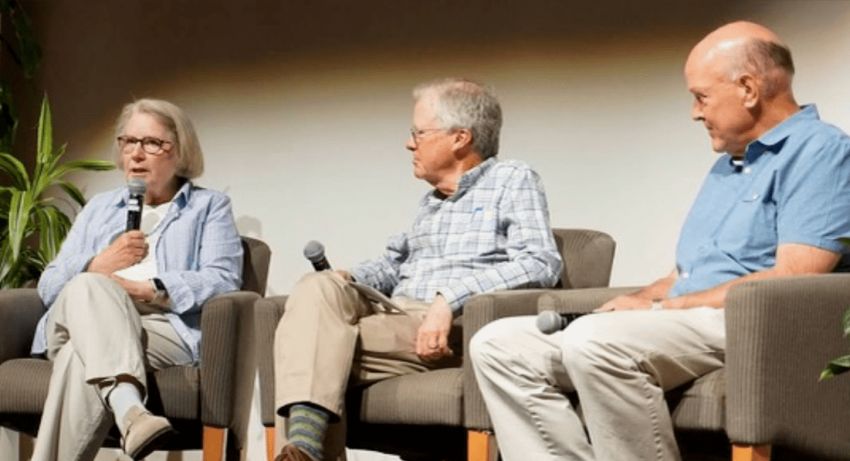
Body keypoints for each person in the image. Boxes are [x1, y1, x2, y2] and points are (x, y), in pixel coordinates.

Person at [470, 21, 850, 461]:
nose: (695, 113)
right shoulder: (729, 164)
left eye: (701, 96)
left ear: (748, 89)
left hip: (749, 322)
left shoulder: (821, 151)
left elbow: (795, 276)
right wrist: (641, 299)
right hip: (688, 318)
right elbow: (684, 274)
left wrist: (664, 309)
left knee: (595, 342)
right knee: (498, 345)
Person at [273, 78, 562, 461]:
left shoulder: (512, 179)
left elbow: (540, 261)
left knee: (306, 341)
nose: (409, 144)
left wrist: (448, 301)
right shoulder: (431, 204)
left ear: (460, 138)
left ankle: (304, 448)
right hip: (397, 316)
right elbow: (395, 265)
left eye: (418, 133)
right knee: (316, 285)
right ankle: (304, 450)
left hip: (453, 327)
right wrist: (350, 278)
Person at [30, 99, 244, 460]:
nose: (136, 154)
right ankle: (132, 410)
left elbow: (223, 279)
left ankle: (129, 410)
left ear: (180, 151)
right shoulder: (99, 208)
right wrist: (97, 264)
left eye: (152, 143)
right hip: (79, 315)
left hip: (161, 324)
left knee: (75, 358)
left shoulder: (208, 207)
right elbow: (49, 285)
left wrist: (152, 289)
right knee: (88, 284)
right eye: (128, 141)